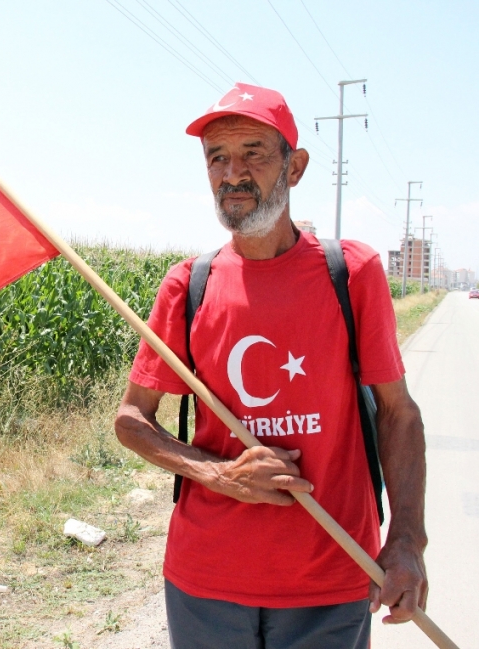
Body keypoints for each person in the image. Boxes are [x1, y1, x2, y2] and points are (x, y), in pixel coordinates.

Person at [114, 83, 427, 648]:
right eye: (216, 157)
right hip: (207, 582)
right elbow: (131, 420)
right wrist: (219, 475)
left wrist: (407, 541)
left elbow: (399, 414)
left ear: (296, 166)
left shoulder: (352, 274)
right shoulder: (189, 286)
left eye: (253, 152)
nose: (232, 172)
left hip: (333, 577)